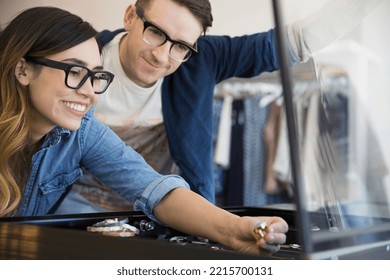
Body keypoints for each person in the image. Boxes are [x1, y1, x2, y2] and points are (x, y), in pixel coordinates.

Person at [0, 6, 288, 255]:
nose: (89, 93)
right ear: (23, 70)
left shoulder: (83, 132)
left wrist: (234, 229)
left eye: (96, 76)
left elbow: (154, 188)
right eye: (74, 72)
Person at [58, 0, 384, 213]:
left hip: (161, 211)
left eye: (181, 46)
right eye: (155, 33)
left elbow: (291, 44)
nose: (162, 56)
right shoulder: (78, 56)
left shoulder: (203, 60)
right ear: (131, 16)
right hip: (73, 205)